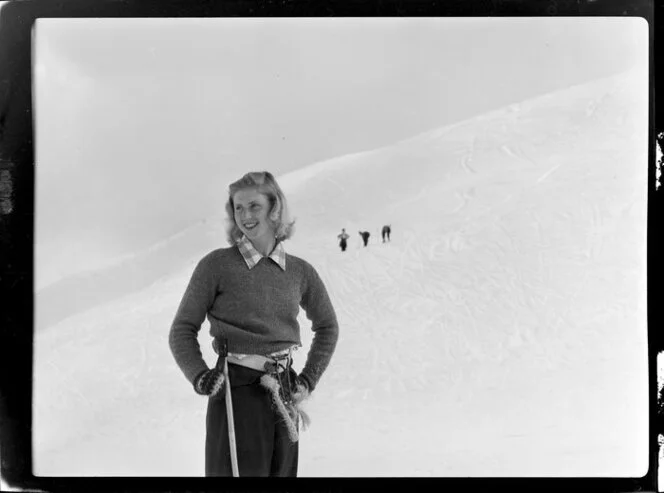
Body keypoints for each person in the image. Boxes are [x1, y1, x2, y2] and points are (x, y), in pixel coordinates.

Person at [169, 171, 339, 477]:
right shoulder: (217, 265)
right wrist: (198, 375)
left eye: (254, 206)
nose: (245, 215)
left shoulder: (300, 272)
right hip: (236, 390)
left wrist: (307, 380)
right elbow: (182, 329)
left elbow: (327, 326)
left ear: (275, 208)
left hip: (283, 392)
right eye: (238, 207)